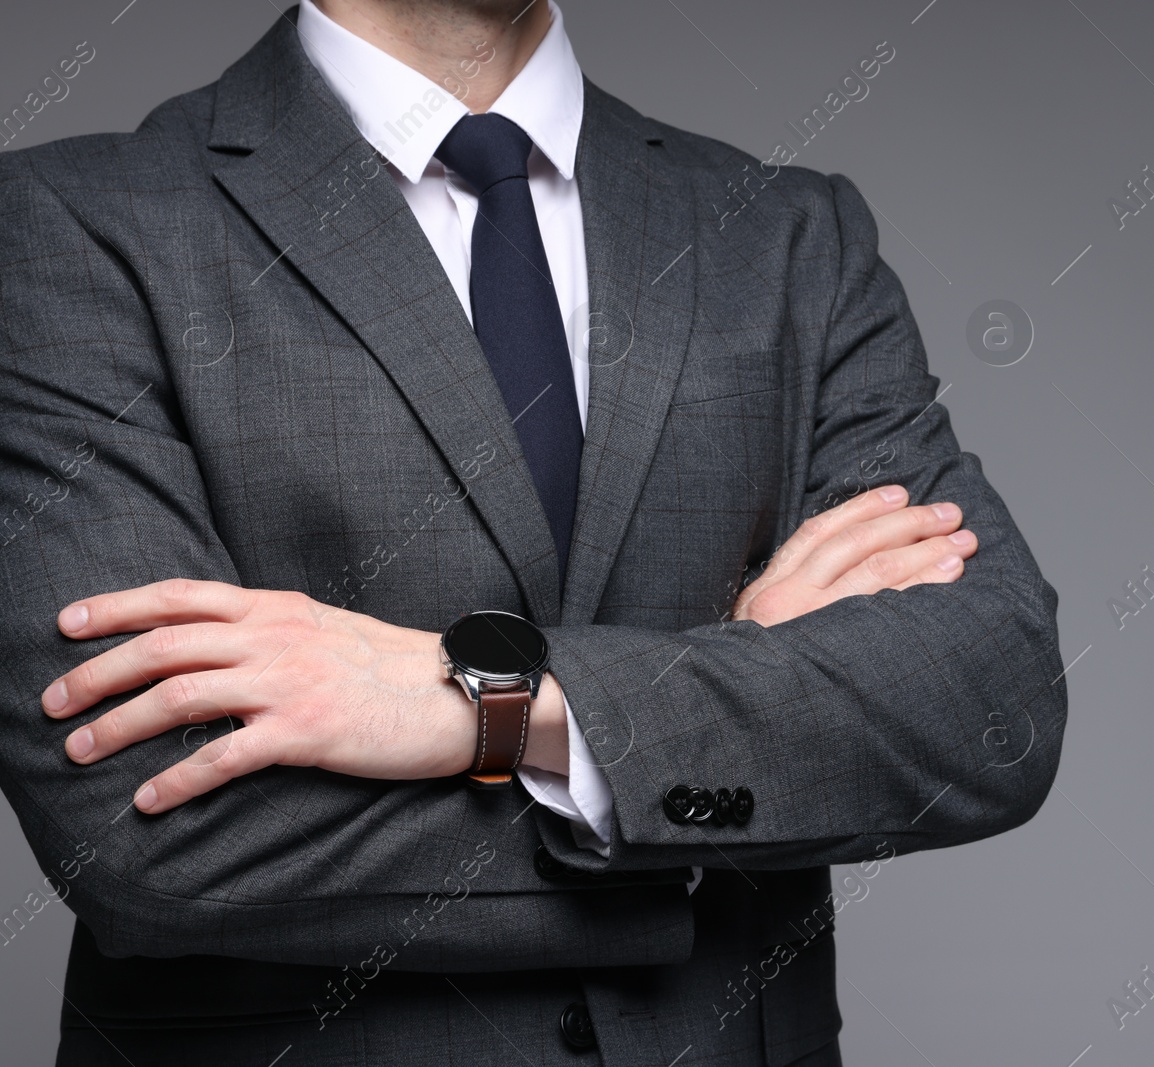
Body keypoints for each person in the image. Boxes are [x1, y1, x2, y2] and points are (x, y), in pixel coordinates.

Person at [0, 2, 1067, 1063]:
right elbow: (147, 832)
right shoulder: (69, 225)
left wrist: (483, 706)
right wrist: (715, 739)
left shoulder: (785, 234)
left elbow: (988, 704)